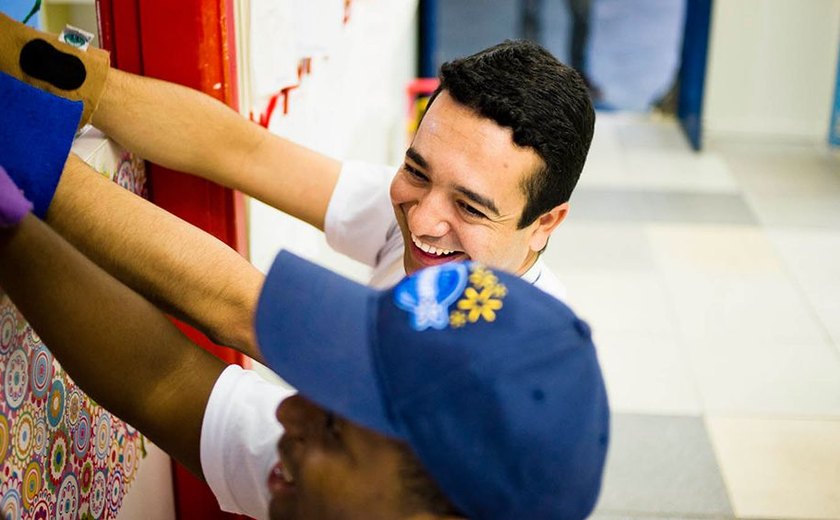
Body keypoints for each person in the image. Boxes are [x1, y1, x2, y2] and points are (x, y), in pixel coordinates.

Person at [0, 12, 598, 516]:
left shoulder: (457, 414)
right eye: (416, 170)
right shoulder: (366, 469)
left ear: (546, 222)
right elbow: (241, 150)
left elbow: (211, 336)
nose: (421, 223)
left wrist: (23, 165)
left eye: (339, 421)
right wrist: (45, 69)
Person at [0, 165, 610, 519]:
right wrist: (12, 230)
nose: (288, 410)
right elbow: (164, 381)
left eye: (337, 428)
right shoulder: (359, 493)